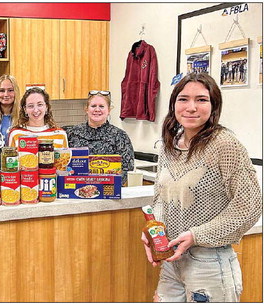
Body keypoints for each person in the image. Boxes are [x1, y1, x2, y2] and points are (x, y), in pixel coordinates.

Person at [141, 73, 262, 302]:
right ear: (174, 103)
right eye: (183, 99)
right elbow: (160, 199)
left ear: (214, 105)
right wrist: (152, 232)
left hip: (209, 262)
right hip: (172, 261)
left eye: (201, 100)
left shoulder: (224, 144)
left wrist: (196, 235)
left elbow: (250, 205)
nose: (191, 107)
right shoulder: (170, 145)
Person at [64, 90, 134, 183]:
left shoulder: (120, 136)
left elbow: (127, 169)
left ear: (109, 110)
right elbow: (62, 163)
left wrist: (103, 182)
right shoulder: (71, 133)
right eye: (93, 106)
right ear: (86, 109)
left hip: (108, 191)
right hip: (76, 190)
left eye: (101, 106)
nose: (97, 109)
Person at [0, 74, 21, 142]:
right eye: (2, 90)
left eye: (10, 90)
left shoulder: (24, 116)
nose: (6, 94)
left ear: (16, 92)